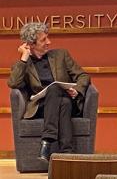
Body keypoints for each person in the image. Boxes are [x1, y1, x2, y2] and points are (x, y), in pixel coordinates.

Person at [8, 22, 90, 162]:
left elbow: (83, 76)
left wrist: (76, 91)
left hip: (68, 100)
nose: (49, 42)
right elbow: (14, 83)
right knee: (60, 99)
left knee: (59, 95)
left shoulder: (61, 55)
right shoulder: (23, 64)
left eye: (48, 38)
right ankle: (67, 154)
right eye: (43, 40)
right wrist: (24, 57)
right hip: (42, 107)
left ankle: (47, 141)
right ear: (31, 44)